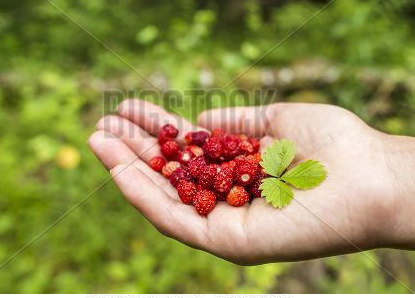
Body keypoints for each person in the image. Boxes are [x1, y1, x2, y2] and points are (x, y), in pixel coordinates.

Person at [88, 99, 415, 265]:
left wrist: (382, 165)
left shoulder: (243, 169)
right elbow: (206, 167)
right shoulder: (209, 166)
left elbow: (229, 170)